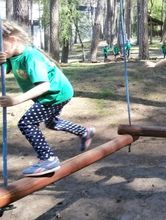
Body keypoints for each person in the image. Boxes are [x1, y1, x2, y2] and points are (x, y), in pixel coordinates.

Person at [0, 21, 95, 177]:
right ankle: (85, 132)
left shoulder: (31, 57)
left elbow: (44, 86)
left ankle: (48, 159)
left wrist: (15, 100)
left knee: (26, 123)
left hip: (55, 93)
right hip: (47, 95)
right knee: (52, 122)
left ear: (12, 39)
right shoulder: (11, 57)